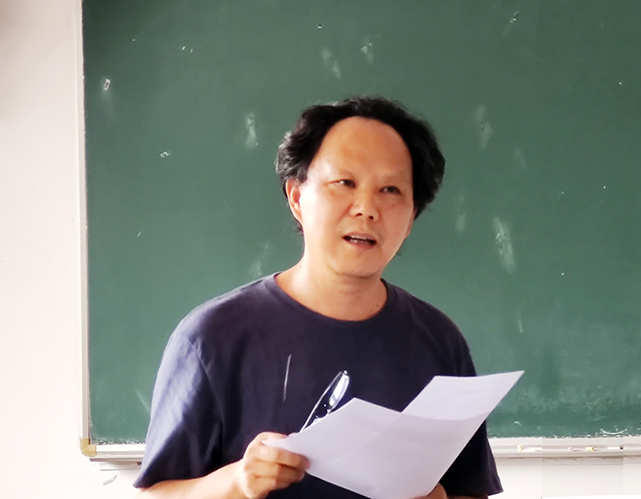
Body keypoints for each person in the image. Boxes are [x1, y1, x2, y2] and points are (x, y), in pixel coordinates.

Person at [134, 96, 502, 499]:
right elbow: (156, 495)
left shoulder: (438, 340)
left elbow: (470, 489)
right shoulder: (212, 338)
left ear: (411, 217)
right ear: (296, 197)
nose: (366, 208)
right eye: (345, 183)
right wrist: (237, 481)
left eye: (390, 189)